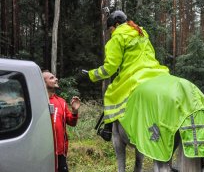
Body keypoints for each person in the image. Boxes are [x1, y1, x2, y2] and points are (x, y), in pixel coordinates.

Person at [87, 10, 169, 141]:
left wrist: (92, 74)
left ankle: (108, 130)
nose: (111, 32)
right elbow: (151, 52)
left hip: (135, 75)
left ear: (117, 24)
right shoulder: (142, 32)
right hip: (156, 71)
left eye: (111, 29)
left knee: (111, 93)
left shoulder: (117, 37)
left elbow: (110, 68)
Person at [42, 70, 81, 172]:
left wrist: (75, 111)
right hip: (42, 153)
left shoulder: (61, 102)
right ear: (43, 82)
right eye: (51, 78)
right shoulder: (38, 101)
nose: (56, 79)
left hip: (60, 152)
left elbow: (72, 123)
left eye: (55, 77)